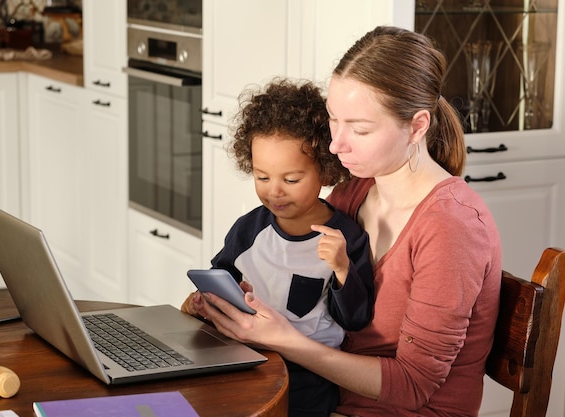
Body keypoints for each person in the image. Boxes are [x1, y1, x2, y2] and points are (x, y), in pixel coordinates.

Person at [186, 26, 502, 417]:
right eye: (334, 120)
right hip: (325, 398)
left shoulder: (453, 228)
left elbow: (412, 387)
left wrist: (284, 339)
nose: (336, 144)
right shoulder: (354, 193)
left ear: (418, 126)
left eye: (361, 128)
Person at [181, 78, 375, 417]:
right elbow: (219, 280)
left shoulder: (346, 238)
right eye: (262, 177)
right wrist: (205, 301)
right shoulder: (249, 229)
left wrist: (343, 268)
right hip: (245, 361)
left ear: (324, 172)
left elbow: (356, 320)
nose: (275, 192)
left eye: (291, 180)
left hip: (308, 378)